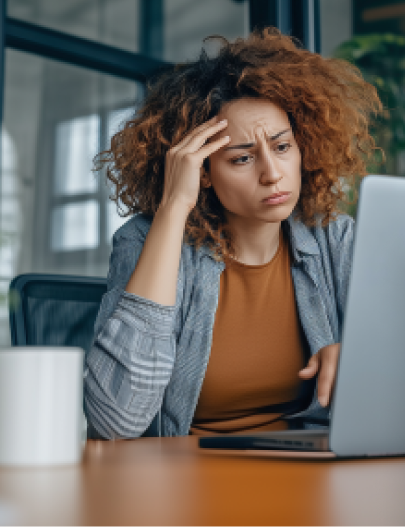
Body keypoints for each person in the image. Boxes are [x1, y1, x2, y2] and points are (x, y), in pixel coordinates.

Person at [83, 28, 382, 439]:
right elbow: (114, 422)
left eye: (282, 147)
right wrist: (173, 209)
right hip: (188, 482)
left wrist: (364, 364)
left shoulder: (335, 239)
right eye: (242, 158)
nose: (272, 174)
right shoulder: (146, 240)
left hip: (310, 474)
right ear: (202, 171)